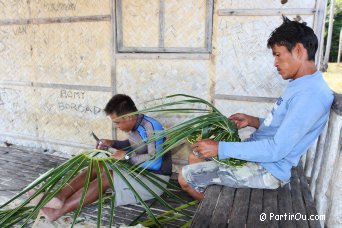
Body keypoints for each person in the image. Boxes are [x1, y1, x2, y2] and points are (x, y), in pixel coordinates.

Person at [178, 16, 334, 201]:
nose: (275, 62)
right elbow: (284, 126)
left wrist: (221, 148)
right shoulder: (301, 84)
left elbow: (276, 150)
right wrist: (253, 121)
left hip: (268, 170)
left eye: (278, 54)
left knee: (185, 177)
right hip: (262, 158)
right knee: (196, 156)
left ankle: (222, 215)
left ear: (298, 50)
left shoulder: (311, 94)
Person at [29, 94, 172, 221]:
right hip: (138, 170)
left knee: (107, 177)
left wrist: (127, 157)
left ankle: (58, 211)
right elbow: (135, 145)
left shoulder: (151, 127)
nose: (116, 126)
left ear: (129, 117)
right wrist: (112, 143)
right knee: (98, 166)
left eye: (117, 122)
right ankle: (59, 198)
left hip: (154, 180)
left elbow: (154, 162)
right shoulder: (135, 124)